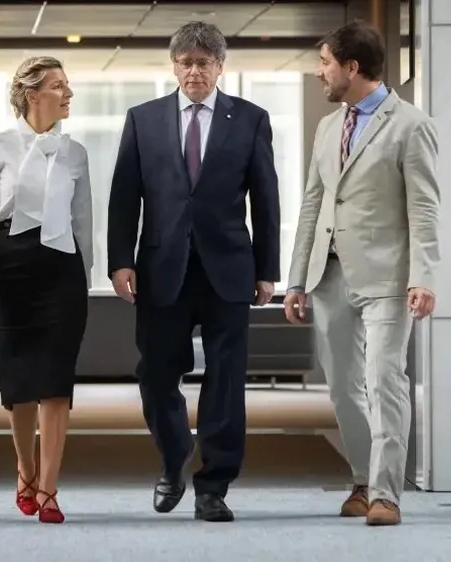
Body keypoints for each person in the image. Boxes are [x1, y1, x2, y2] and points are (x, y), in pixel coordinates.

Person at [106, 21, 281, 523]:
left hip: (229, 268)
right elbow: (125, 197)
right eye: (185, 62)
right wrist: (121, 260)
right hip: (162, 267)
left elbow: (266, 199)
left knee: (226, 379)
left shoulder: (249, 119)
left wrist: (268, 267)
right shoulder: (144, 119)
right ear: (173, 66)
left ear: (220, 67)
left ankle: (214, 485)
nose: (194, 71)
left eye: (204, 63)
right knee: (157, 374)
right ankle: (173, 453)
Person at [284, 21, 440, 527]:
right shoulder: (329, 126)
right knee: (343, 386)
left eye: (325, 62)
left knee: (384, 380)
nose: (318, 72)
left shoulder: (411, 125)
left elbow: (425, 208)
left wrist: (423, 275)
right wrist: (296, 278)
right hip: (328, 276)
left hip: (388, 278)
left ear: (352, 67)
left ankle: (387, 495)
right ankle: (361, 480)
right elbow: (312, 203)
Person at [0, 56, 92, 525]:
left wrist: (88, 277)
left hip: (63, 270)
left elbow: (83, 220)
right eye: (59, 86)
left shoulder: (75, 152)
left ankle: (51, 490)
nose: (68, 93)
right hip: (10, 266)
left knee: (56, 382)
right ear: (33, 95)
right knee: (19, 383)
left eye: (67, 84)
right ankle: (26, 468)